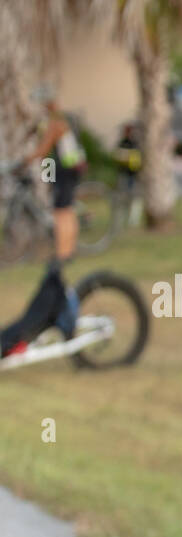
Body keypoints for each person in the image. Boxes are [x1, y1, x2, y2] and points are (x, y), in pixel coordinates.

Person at [0, 86, 85, 359]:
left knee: (63, 212)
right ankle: (63, 250)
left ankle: (65, 251)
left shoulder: (57, 123)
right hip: (62, 167)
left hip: (68, 169)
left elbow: (43, 147)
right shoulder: (50, 121)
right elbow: (35, 135)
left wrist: (23, 161)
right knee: (61, 210)